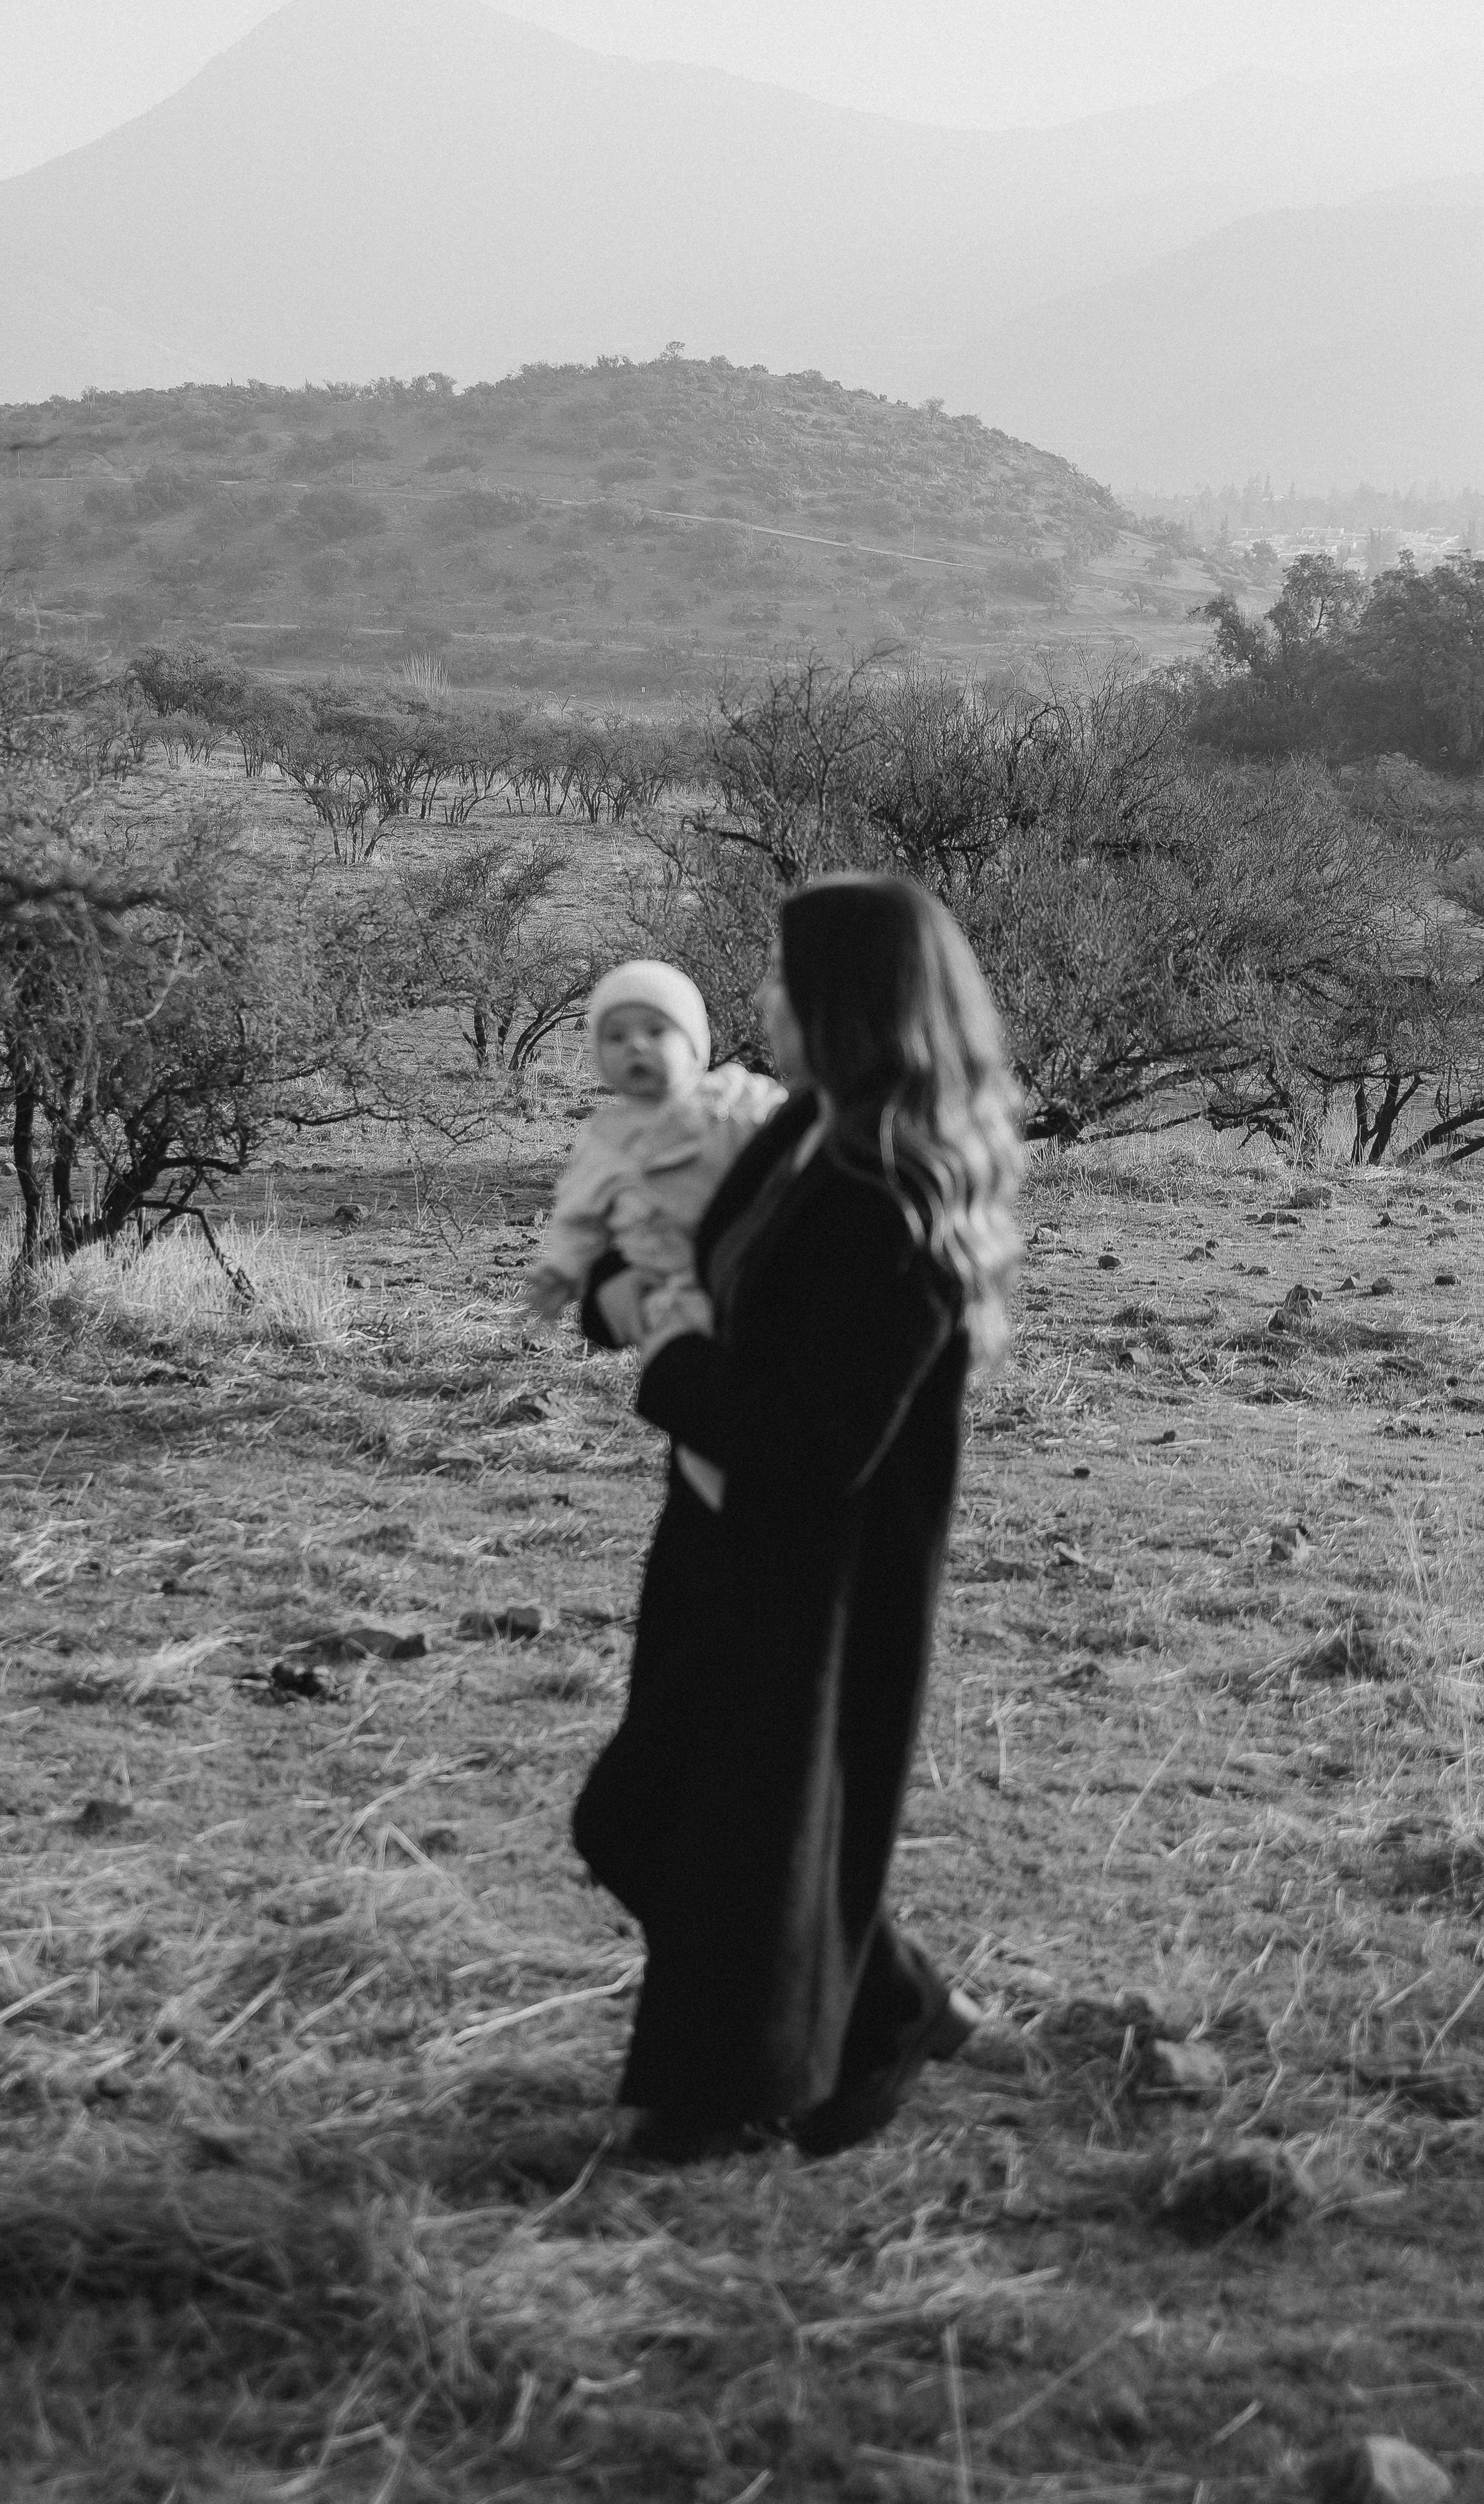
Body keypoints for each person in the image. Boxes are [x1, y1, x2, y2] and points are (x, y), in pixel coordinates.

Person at [572, 875, 1022, 2160]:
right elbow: (703, 1263)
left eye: (782, 978)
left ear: (847, 1004)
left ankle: (727, 2095)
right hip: (723, 1539)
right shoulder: (809, 1131)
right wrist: (622, 1274)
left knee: (723, 1835)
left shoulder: (895, 1202)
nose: (760, 998)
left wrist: (665, 1357)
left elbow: (818, 1448)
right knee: (663, 1818)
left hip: (818, 1577)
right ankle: (886, 2007)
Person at [523, 960, 786, 1381]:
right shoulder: (604, 1138)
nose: (636, 1046)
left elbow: (789, 1118)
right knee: (694, 1369)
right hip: (662, 1281)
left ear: (696, 1043)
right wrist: (562, 1270)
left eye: (657, 1031)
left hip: (741, 1265)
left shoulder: (735, 1097)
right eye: (616, 1036)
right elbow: (578, 1218)